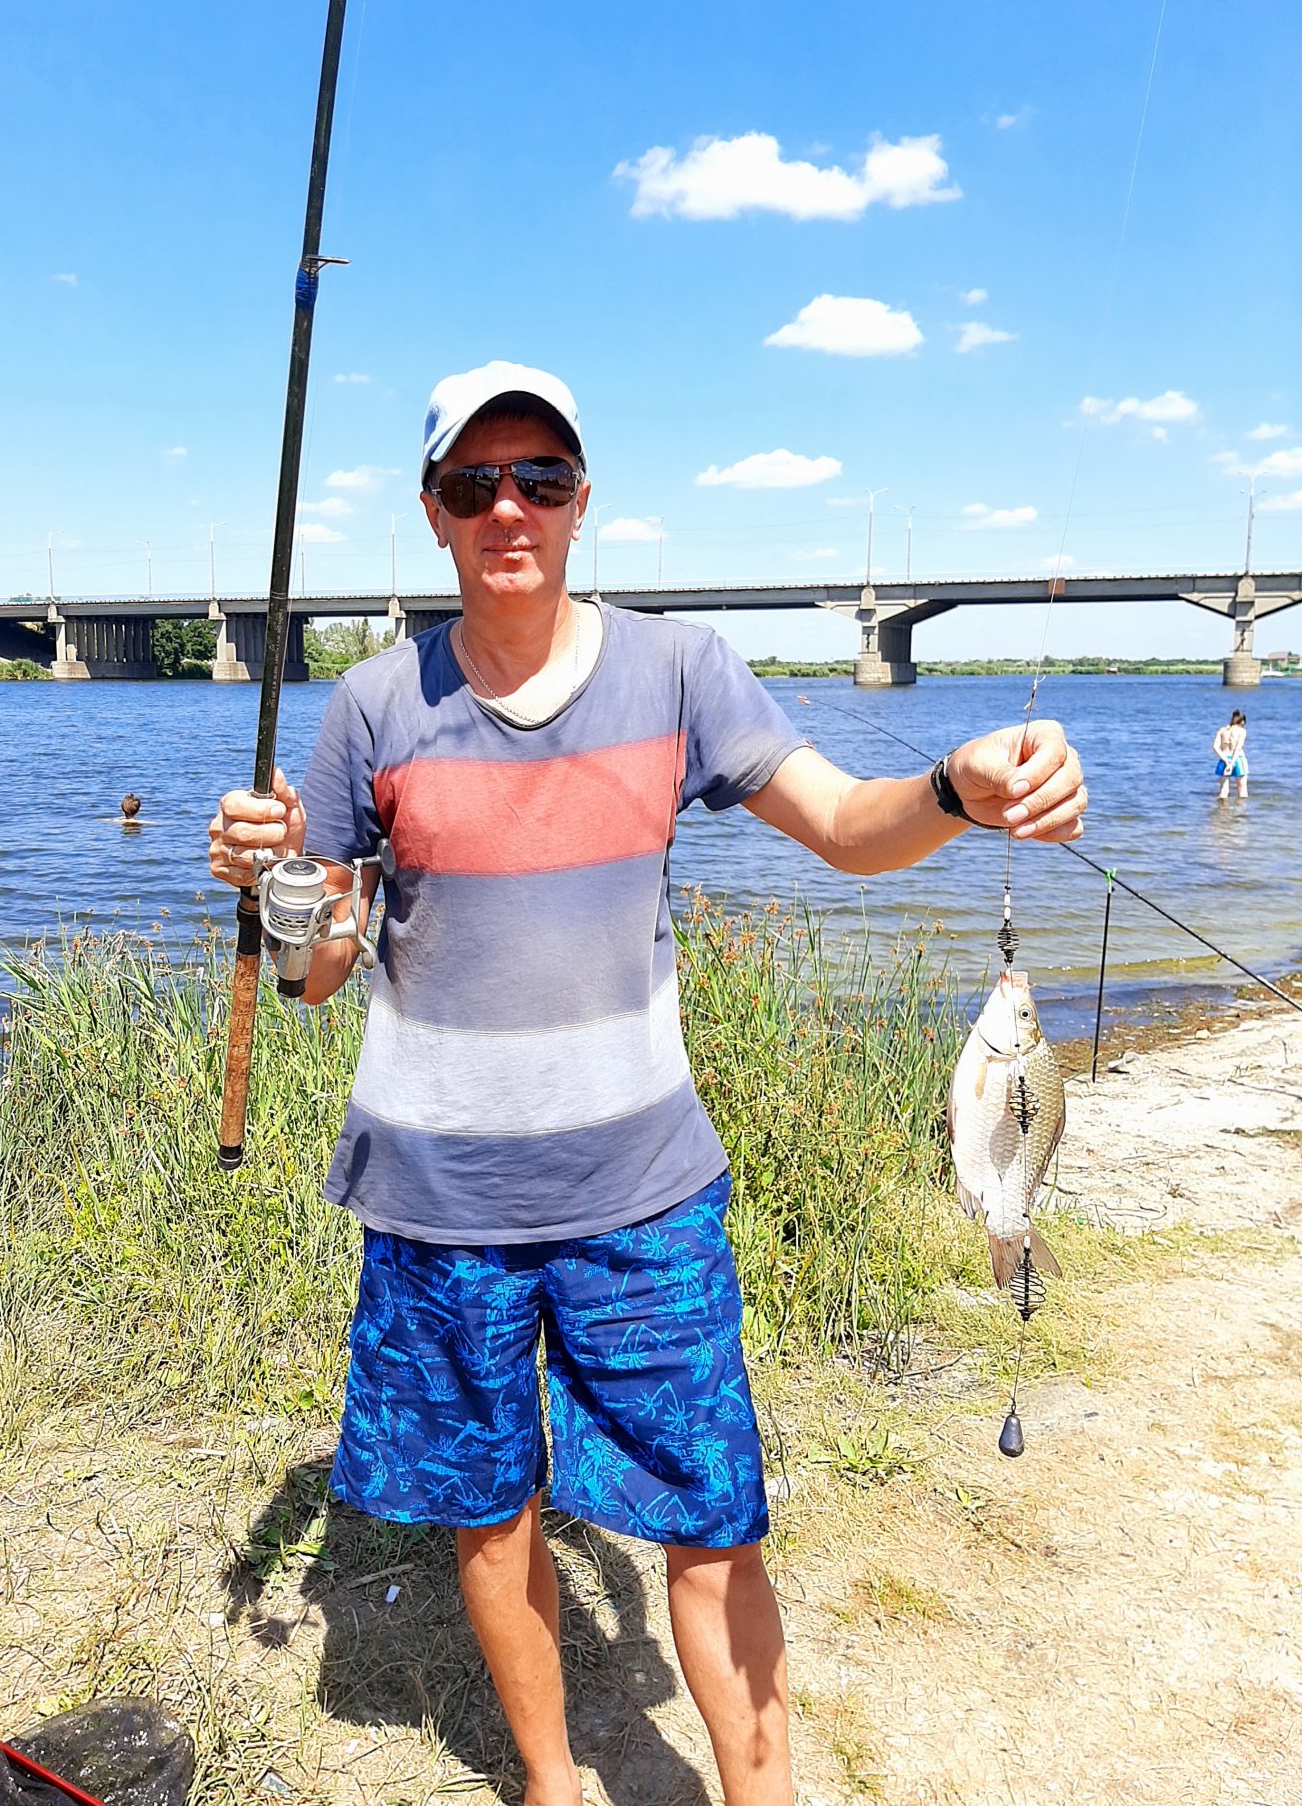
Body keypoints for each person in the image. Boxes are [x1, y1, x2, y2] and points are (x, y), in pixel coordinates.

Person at [208, 360, 1087, 1806]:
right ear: (432, 513)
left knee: (713, 1520)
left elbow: (843, 824)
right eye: (473, 483)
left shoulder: (679, 671)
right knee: (490, 1509)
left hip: (645, 1198)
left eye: (539, 478)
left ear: (581, 501)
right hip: (439, 1203)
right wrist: (282, 889)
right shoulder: (370, 705)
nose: (508, 506)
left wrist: (952, 788)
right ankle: (553, 1783)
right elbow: (316, 972)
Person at [1213, 709, 1249, 800]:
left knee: (1223, 791)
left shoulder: (1222, 730)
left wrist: (1226, 761)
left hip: (1224, 758)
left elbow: (1215, 747)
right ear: (1242, 721)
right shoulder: (1242, 731)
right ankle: (1241, 809)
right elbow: (1238, 748)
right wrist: (1232, 763)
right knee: (1242, 791)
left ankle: (1222, 808)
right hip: (1238, 759)